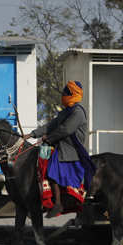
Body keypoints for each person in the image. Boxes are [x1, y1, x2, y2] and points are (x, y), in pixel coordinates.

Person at [25, 80, 96, 218]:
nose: (62, 95)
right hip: (61, 144)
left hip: (72, 147)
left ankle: (58, 204)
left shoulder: (78, 112)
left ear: (71, 94)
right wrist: (32, 134)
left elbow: (66, 129)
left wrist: (48, 138)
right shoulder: (66, 111)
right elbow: (51, 125)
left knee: (51, 167)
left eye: (65, 93)